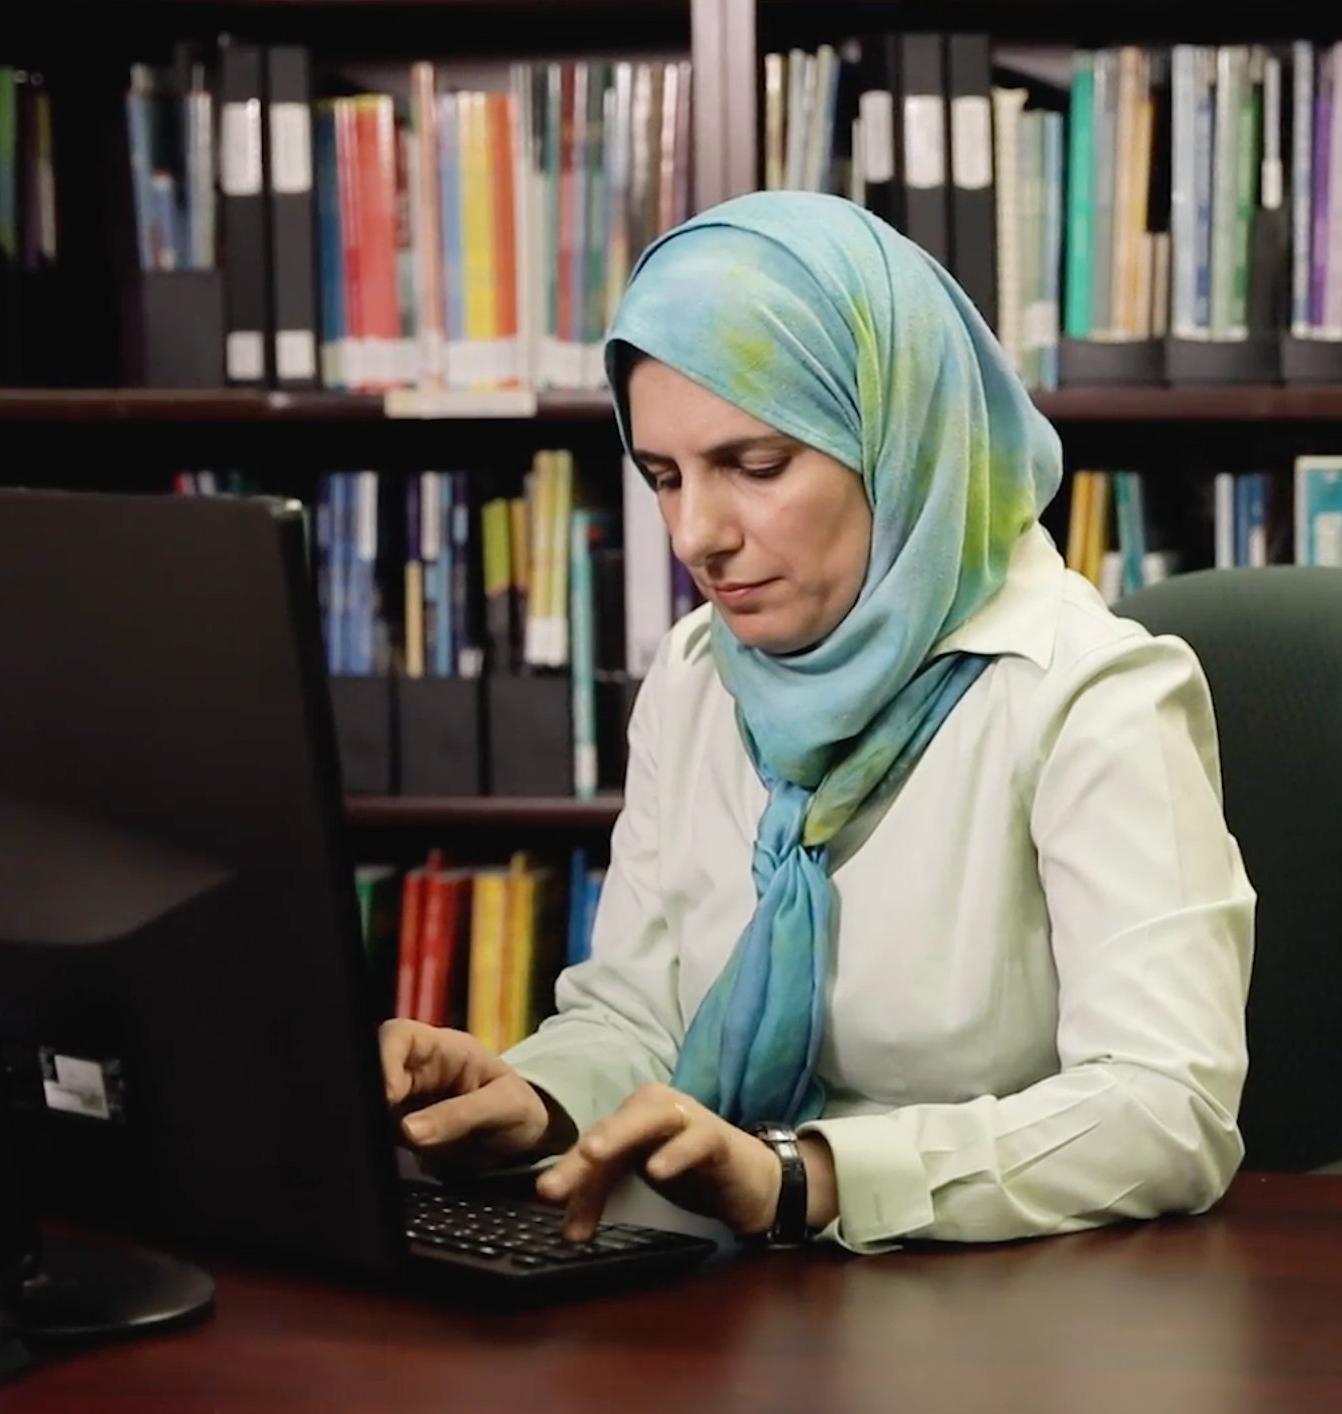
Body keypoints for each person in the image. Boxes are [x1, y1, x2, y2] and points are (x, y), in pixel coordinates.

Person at [379, 189, 1255, 1255]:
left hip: (1005, 1312)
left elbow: (1165, 1110)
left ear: (893, 437)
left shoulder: (1087, 693)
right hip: (726, 1303)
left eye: (753, 467)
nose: (697, 535)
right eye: (662, 476)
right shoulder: (699, 675)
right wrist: (536, 1102)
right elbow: (639, 1017)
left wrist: (810, 1177)